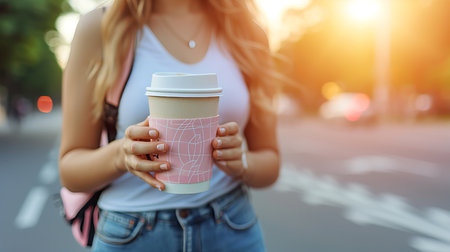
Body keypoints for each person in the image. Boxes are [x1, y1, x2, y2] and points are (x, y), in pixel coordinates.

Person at [59, 0, 280, 251]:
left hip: (231, 226)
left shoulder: (247, 34)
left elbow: (270, 162)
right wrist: (122, 155)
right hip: (132, 234)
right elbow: (70, 170)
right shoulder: (101, 26)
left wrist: (241, 163)